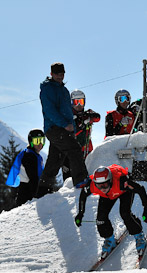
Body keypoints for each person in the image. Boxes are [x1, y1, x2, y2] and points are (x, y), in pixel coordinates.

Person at [74, 165, 147, 258]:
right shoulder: (92, 186)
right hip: (107, 196)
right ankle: (109, 239)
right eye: (99, 185)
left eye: (105, 184)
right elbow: (83, 195)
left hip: (124, 192)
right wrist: (80, 213)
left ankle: (139, 236)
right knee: (100, 219)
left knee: (125, 213)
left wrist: (146, 210)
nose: (102, 188)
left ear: (110, 180)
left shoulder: (122, 182)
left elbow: (140, 190)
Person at [36, 62, 89, 197]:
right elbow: (49, 110)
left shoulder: (64, 90)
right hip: (54, 128)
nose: (60, 77)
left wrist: (72, 128)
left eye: (62, 74)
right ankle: (81, 180)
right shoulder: (48, 89)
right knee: (74, 149)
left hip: (64, 129)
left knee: (55, 159)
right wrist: (64, 125)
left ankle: (42, 190)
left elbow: (68, 112)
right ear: (51, 74)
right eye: (57, 74)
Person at [63, 89, 100, 180]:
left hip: (86, 151)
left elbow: (97, 117)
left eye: (81, 102)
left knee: (88, 175)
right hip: (70, 152)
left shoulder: (86, 114)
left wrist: (88, 117)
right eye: (76, 102)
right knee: (70, 179)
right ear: (71, 103)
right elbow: (73, 131)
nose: (79, 105)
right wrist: (82, 123)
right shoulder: (68, 116)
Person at [6, 129, 46, 206]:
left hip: (27, 190)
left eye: (42, 140)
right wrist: (37, 194)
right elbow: (33, 177)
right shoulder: (29, 156)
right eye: (37, 141)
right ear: (31, 142)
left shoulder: (35, 155)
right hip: (27, 192)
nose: (40, 144)